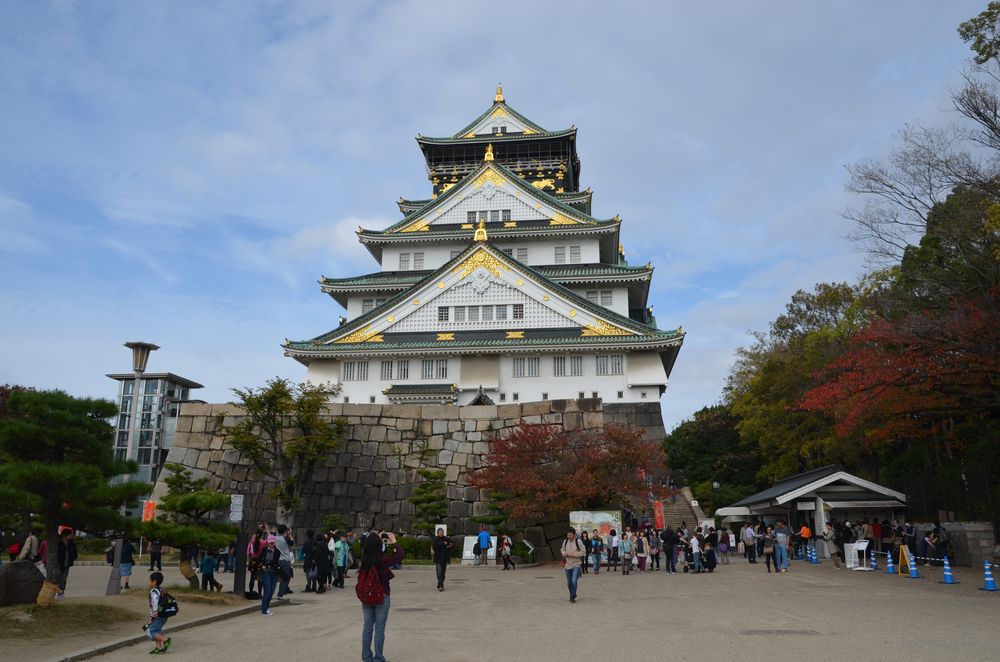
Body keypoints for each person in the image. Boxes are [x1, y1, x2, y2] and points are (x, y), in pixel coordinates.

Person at [360, 531, 404, 662]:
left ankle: (367, 658)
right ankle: (378, 658)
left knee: (367, 627)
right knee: (379, 629)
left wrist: (375, 538)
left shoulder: (365, 559)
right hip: (382, 596)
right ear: (379, 545)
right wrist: (394, 541)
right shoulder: (382, 560)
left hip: (367, 597)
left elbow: (371, 549)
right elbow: (400, 555)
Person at [560, 527, 585, 603]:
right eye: (568, 535)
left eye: (570, 535)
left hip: (576, 564)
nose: (569, 537)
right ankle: (572, 594)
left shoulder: (579, 541)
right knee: (569, 582)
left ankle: (573, 596)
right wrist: (563, 553)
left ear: (574, 535)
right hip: (567, 565)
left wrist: (574, 555)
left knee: (574, 581)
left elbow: (583, 552)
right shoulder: (565, 541)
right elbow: (562, 549)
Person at [259, 535, 280, 615]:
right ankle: (264, 610)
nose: (271, 544)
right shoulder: (264, 550)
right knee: (267, 591)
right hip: (266, 572)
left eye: (273, 542)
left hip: (274, 573)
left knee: (271, 591)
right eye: (270, 542)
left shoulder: (277, 551)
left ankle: (267, 607)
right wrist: (261, 566)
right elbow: (260, 559)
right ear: (267, 542)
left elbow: (275, 562)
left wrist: (267, 565)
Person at [274, 525, 294, 598]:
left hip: (277, 560)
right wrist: (290, 534)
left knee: (276, 577)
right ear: (285, 531)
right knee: (285, 578)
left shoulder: (275, 538)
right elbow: (292, 543)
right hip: (285, 560)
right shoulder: (285, 539)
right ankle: (280, 594)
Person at [56, 528, 78, 599]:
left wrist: (72, 558)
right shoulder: (58, 543)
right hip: (58, 564)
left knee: (64, 580)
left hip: (67, 564)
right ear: (65, 535)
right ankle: (53, 593)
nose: (72, 536)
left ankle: (61, 594)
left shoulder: (72, 543)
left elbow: (75, 553)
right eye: (70, 535)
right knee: (56, 579)